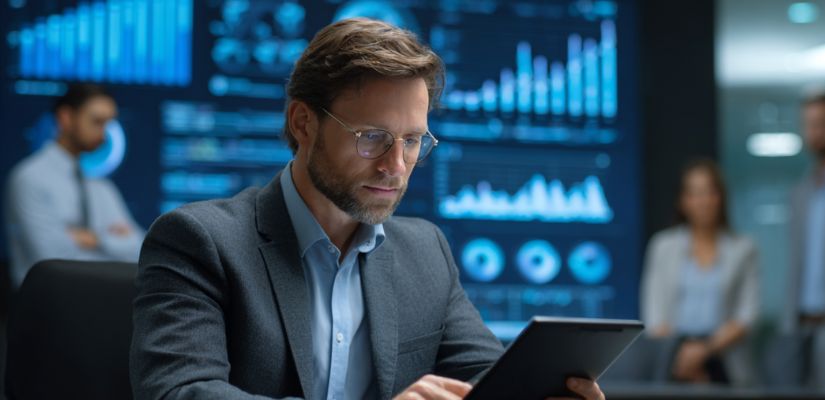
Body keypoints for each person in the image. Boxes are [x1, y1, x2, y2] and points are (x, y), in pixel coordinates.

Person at [129, 18, 605, 400]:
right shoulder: (199, 241)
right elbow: (180, 391)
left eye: (412, 141)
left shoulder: (426, 252)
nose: (395, 166)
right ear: (303, 123)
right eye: (372, 137)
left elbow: (484, 377)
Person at [4, 83, 145, 289]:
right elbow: (53, 261)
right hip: (46, 303)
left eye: (108, 123)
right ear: (66, 118)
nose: (104, 135)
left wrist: (96, 239)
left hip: (100, 300)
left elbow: (141, 249)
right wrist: (115, 242)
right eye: (97, 121)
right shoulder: (29, 178)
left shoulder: (101, 187)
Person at [641, 159, 759, 386]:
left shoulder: (743, 249)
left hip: (724, 361)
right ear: (682, 201)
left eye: (709, 192)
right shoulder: (662, 246)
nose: (703, 201)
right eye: (694, 193)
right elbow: (654, 315)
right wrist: (682, 355)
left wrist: (703, 351)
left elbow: (747, 316)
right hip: (674, 361)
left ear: (721, 198)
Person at [782, 93, 825, 383]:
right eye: (809, 125)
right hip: (802, 327)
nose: (815, 132)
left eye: (822, 123)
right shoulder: (800, 192)